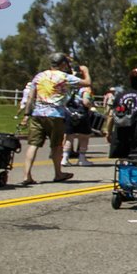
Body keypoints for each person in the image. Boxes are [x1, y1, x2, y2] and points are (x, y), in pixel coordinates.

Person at [18, 53, 91, 186]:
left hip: (38, 114)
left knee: (33, 144)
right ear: (63, 64)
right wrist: (85, 71)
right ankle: (58, 173)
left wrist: (27, 115)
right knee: (56, 146)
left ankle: (26, 175)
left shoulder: (39, 76)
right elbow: (87, 83)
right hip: (55, 114)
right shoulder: (64, 77)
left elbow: (30, 97)